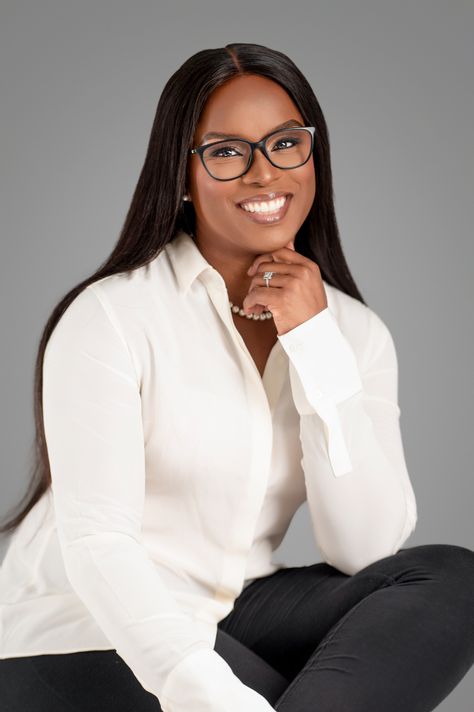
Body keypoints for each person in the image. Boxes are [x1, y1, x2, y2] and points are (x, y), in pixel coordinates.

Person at [0, 42, 473, 712]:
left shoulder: (355, 333)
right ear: (183, 174)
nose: (263, 173)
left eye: (285, 143)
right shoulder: (111, 315)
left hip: (236, 610)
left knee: (451, 578)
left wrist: (313, 342)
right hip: (84, 627)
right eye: (226, 152)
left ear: (314, 155)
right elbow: (99, 544)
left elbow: (365, 546)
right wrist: (213, 696)